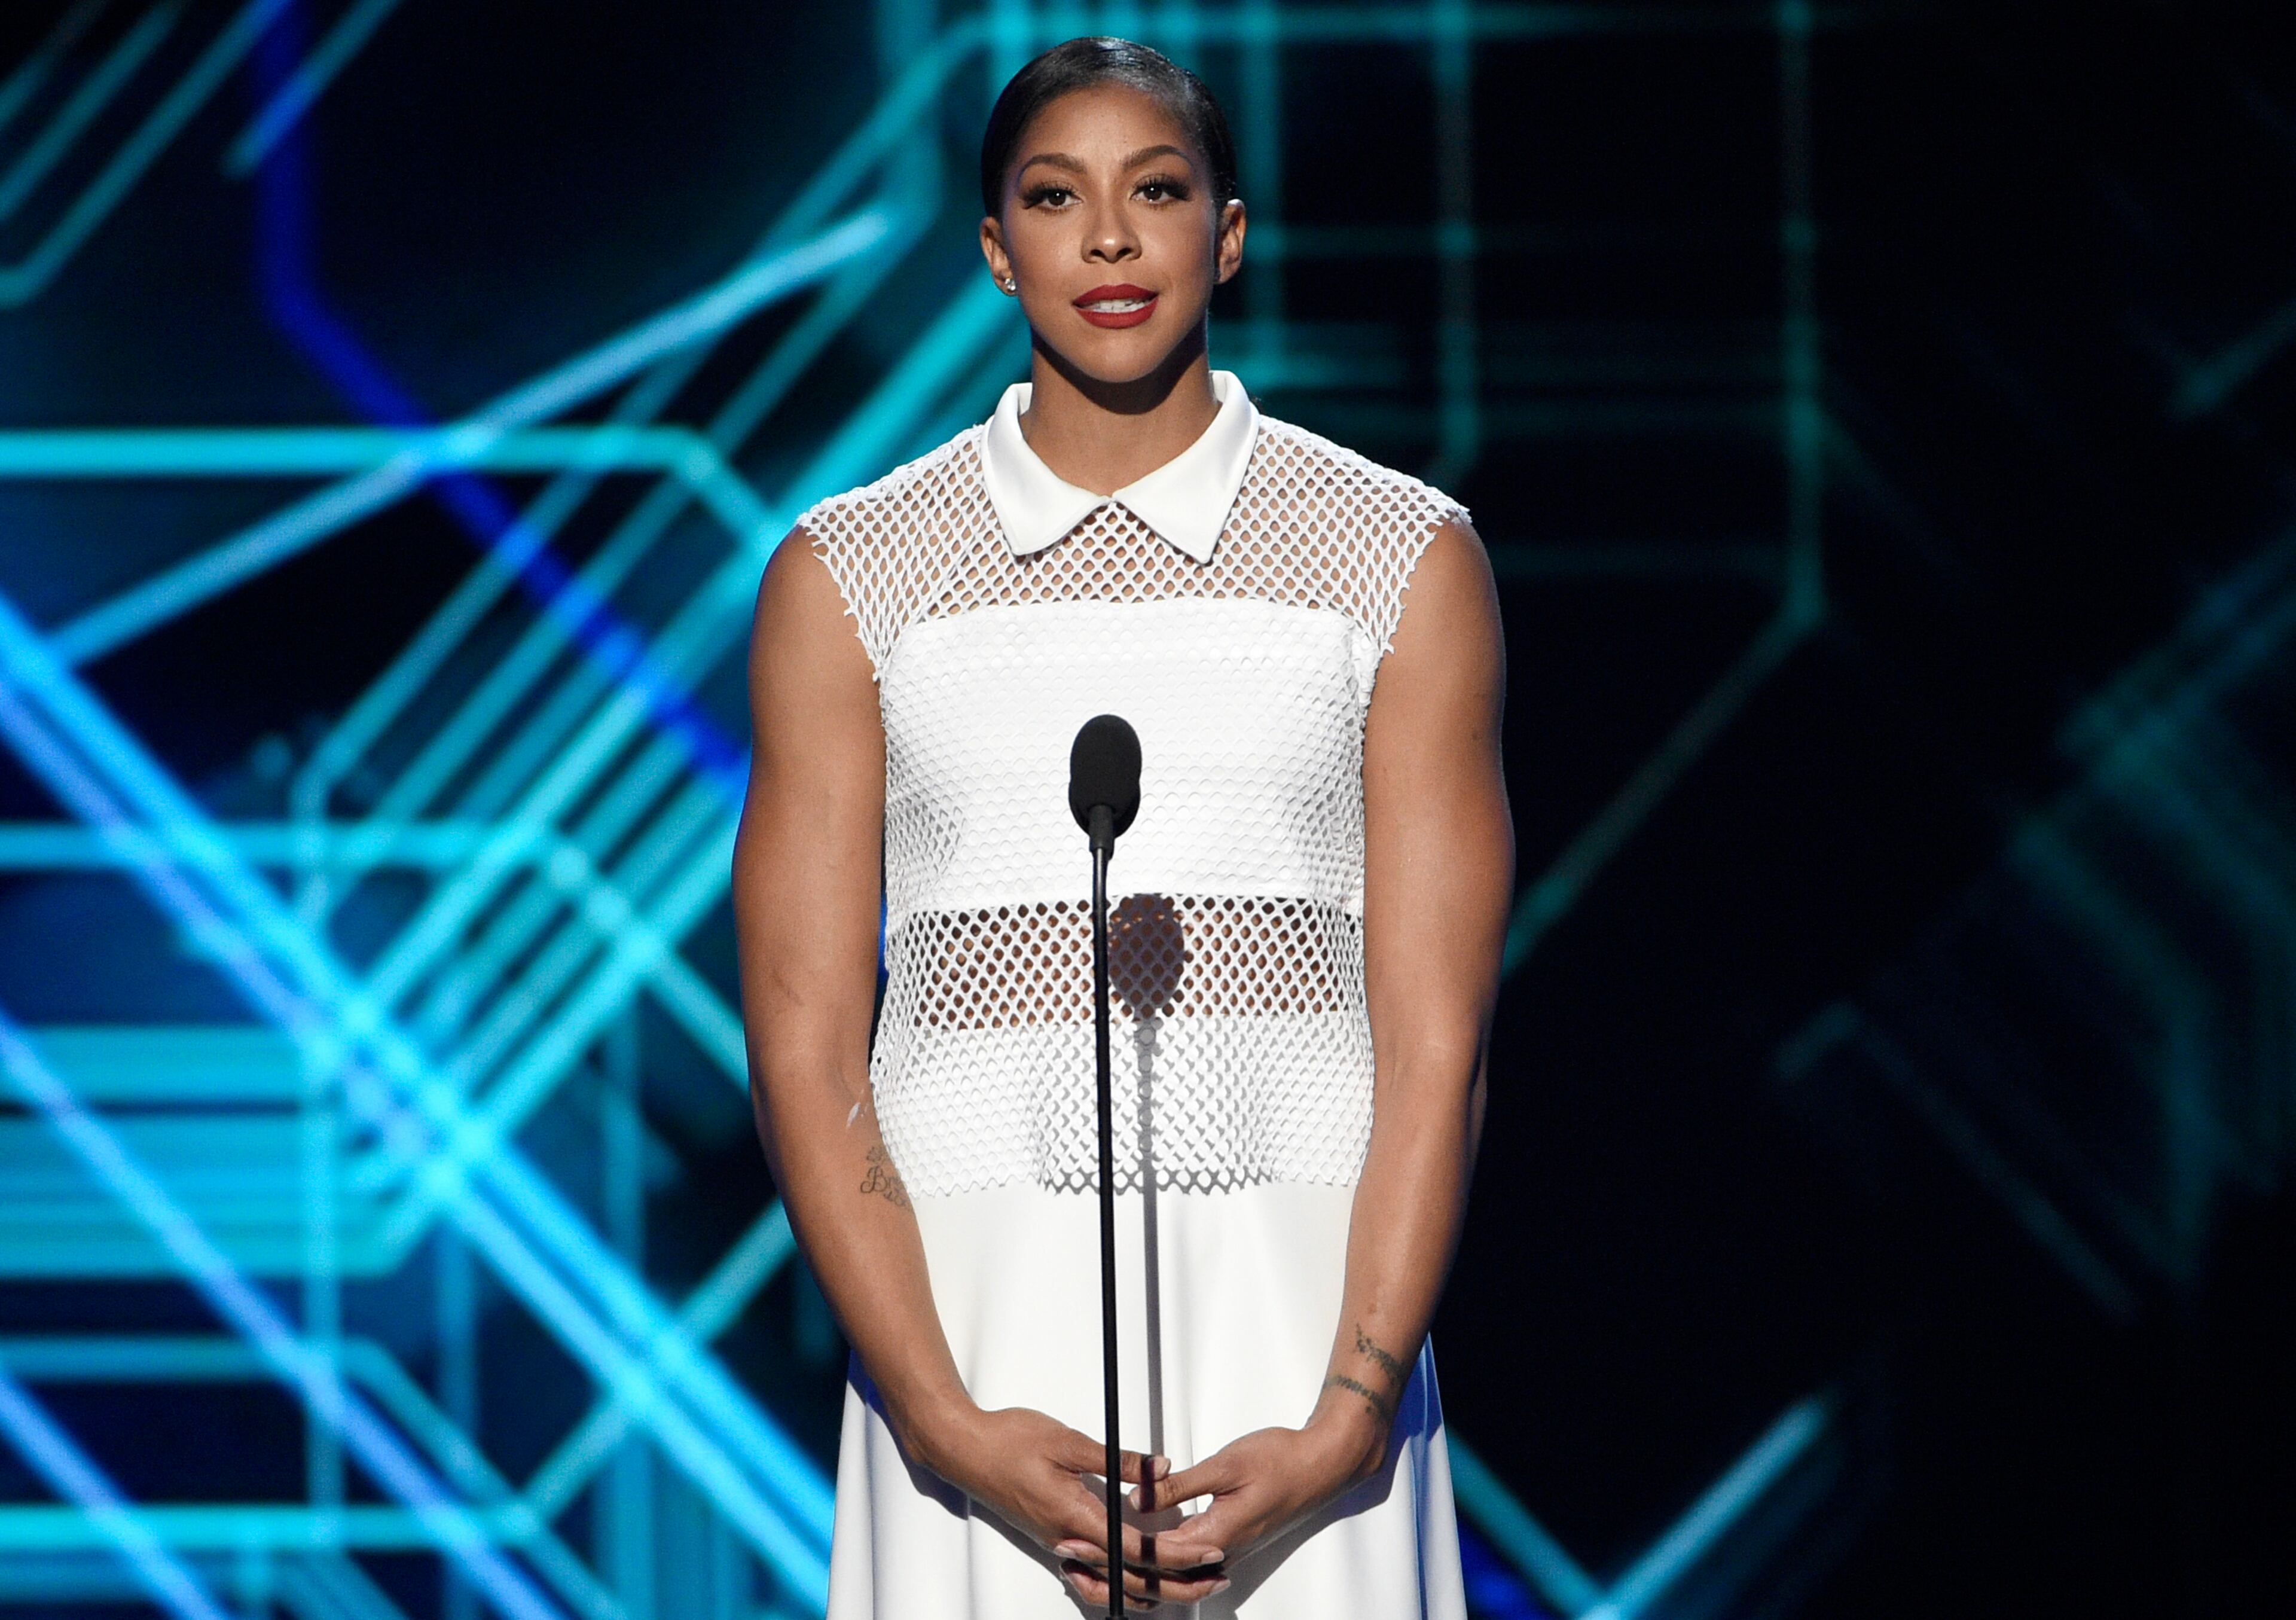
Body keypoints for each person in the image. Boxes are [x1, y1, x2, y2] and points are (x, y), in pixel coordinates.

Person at [734, 35, 1510, 1617]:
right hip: (974, 1334)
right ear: (992, 246)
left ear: (1225, 233)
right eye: (1053, 196)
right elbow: (807, 1041)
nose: (1106, 240)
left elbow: (1439, 1046)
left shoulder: (1398, 559)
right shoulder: (853, 575)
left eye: (1156, 191)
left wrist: (1349, 1418)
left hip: (1304, 1343)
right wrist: (945, 1423)